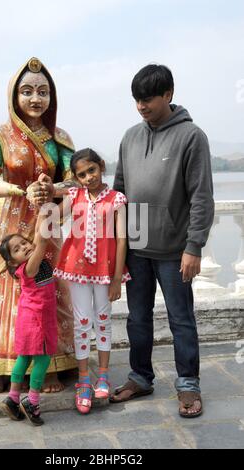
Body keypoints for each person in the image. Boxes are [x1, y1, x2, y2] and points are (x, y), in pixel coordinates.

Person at [0, 57, 77, 395]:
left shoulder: (59, 138)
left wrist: (53, 190)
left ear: (51, 97)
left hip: (46, 224)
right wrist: (21, 190)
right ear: (14, 96)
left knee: (49, 292)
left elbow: (75, 183)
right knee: (7, 294)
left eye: (43, 92)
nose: (35, 99)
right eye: (27, 91)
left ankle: (54, 363)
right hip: (11, 226)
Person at [111, 64, 214, 418]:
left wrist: (194, 246)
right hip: (136, 247)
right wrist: (117, 245)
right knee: (136, 318)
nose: (141, 106)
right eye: (137, 100)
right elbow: (119, 194)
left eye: (148, 99)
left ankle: (188, 384)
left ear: (168, 95)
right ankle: (140, 376)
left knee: (180, 318)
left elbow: (202, 196)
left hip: (174, 250)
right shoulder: (130, 137)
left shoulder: (191, 136)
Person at [52, 148, 131, 414]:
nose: (88, 177)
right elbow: (52, 216)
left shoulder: (116, 199)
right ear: (76, 178)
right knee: (82, 322)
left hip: (107, 271)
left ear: (101, 166)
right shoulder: (74, 196)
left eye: (92, 170)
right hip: (76, 269)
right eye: (82, 174)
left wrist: (117, 278)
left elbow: (122, 240)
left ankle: (104, 375)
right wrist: (47, 192)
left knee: (104, 319)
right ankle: (84, 378)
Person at [0, 190, 57, 426]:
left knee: (24, 357)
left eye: (24, 243)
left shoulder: (28, 262)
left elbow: (36, 237)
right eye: (17, 249)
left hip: (27, 318)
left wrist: (41, 209)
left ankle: (13, 398)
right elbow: (41, 239)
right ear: (13, 262)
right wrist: (45, 207)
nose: (24, 247)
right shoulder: (30, 268)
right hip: (38, 320)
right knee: (42, 360)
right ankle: (32, 401)